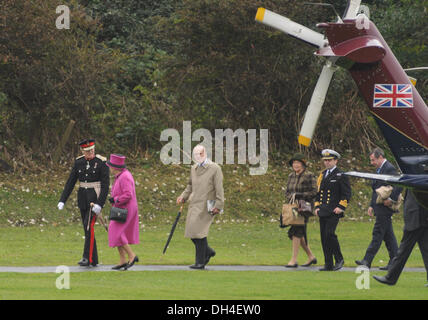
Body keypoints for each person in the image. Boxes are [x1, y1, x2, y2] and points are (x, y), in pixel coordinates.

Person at [57, 139, 109, 267]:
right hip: (83, 198)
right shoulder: (79, 162)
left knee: (88, 226)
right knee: (87, 229)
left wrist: (99, 204)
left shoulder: (101, 162)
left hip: (94, 198)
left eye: (91, 150)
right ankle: (94, 258)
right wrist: (62, 200)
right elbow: (71, 182)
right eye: (87, 151)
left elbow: (105, 185)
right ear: (82, 151)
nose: (90, 153)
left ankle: (87, 258)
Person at [176, 145, 225, 270]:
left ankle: (200, 262)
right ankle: (208, 252)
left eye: (200, 154)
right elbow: (190, 186)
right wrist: (183, 197)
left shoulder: (215, 168)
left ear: (205, 153)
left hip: (208, 205)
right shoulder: (194, 168)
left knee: (199, 233)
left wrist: (219, 205)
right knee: (192, 232)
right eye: (196, 155)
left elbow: (219, 189)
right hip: (195, 203)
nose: (198, 157)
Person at [355, 147, 401, 270]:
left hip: (385, 208)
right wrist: (371, 205)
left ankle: (367, 260)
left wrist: (391, 199)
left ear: (380, 157)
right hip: (379, 207)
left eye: (373, 160)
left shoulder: (389, 168)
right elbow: (375, 190)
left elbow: (399, 184)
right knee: (388, 236)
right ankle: (395, 262)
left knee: (377, 234)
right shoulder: (379, 169)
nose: (372, 163)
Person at [373, 190, 428, 286]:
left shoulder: (416, 175)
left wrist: (393, 198)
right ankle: (390, 277)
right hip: (420, 217)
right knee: (425, 249)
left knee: (403, 250)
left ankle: (390, 278)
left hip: (416, 217)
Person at [315, 149, 351, 271]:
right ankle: (328, 263)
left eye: (329, 160)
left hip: (334, 210)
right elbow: (318, 192)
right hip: (323, 210)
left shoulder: (341, 175)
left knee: (330, 234)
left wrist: (341, 207)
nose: (327, 163)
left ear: (336, 161)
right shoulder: (322, 174)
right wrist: (316, 206)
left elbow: (346, 193)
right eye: (325, 160)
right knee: (324, 237)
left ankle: (339, 258)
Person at [106, 154, 140, 270]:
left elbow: (128, 194)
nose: (109, 168)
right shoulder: (121, 175)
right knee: (116, 232)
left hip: (126, 208)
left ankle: (131, 255)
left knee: (116, 232)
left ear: (115, 167)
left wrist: (115, 199)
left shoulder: (125, 176)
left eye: (110, 165)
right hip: (121, 207)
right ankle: (122, 260)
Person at [284, 153, 317, 268]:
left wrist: (300, 195)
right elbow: (287, 192)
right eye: (294, 163)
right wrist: (291, 198)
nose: (295, 165)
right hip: (293, 207)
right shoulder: (291, 176)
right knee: (297, 232)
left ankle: (293, 260)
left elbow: (314, 192)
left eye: (298, 163)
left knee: (296, 232)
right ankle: (311, 256)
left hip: (304, 208)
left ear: (303, 164)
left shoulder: (309, 175)